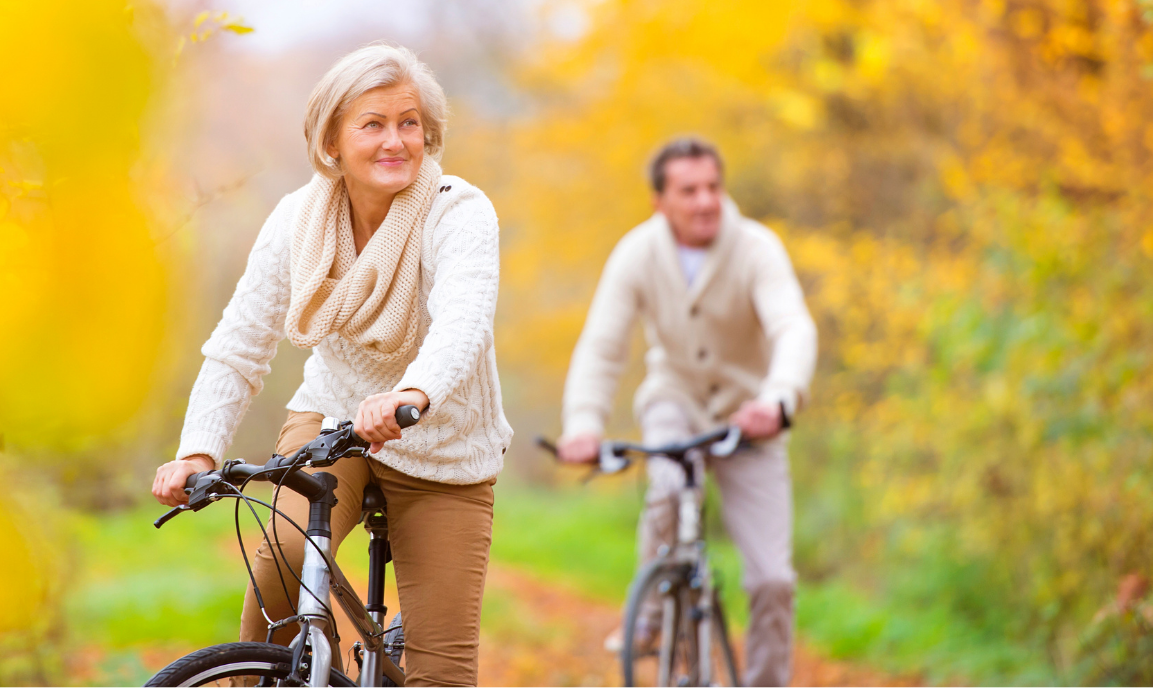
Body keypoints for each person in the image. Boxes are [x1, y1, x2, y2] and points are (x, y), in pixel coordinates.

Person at [151, 43, 512, 687]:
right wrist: (198, 452)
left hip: (444, 443)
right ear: (332, 142)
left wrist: (412, 393)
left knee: (443, 670)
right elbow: (239, 344)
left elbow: (462, 322)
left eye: (408, 123)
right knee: (284, 559)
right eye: (373, 124)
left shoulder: (458, 211)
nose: (395, 140)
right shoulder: (299, 219)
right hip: (334, 421)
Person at [557, 137, 816, 687]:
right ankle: (651, 615)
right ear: (660, 202)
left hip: (750, 418)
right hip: (674, 404)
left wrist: (779, 398)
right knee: (669, 490)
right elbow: (603, 347)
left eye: (713, 187)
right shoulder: (637, 253)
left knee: (772, 580)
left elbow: (792, 327)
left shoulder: (756, 248)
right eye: (689, 190)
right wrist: (583, 424)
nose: (705, 201)